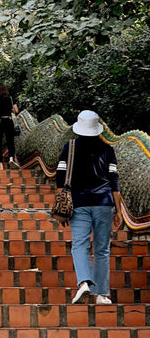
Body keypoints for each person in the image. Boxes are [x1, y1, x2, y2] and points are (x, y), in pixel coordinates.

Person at [56, 110, 123, 305]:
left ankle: (84, 282)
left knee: (80, 245)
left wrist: (62, 206)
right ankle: (101, 294)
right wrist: (118, 211)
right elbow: (114, 182)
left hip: (79, 204)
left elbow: (60, 178)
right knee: (102, 249)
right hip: (104, 204)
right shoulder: (107, 150)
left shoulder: (70, 147)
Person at [0, 83, 20, 170]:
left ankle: (1, 165)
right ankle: (11, 159)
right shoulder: (10, 98)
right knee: (10, 142)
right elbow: (16, 111)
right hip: (8, 121)